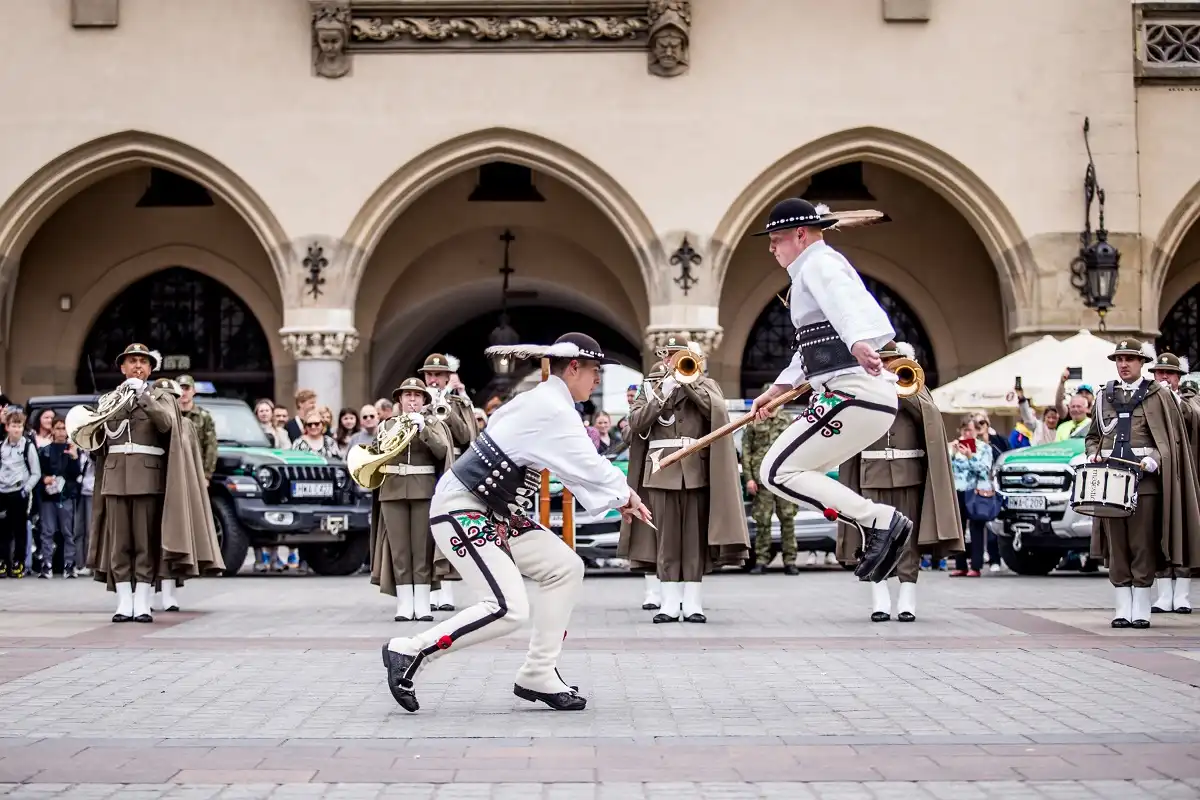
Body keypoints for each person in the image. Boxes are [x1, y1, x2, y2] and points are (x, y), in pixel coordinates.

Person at [381, 333, 651, 713]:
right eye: (594, 370)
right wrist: (624, 495)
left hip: (494, 513)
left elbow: (569, 466)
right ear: (573, 367)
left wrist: (616, 497)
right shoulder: (552, 409)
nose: (598, 379)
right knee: (507, 607)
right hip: (462, 508)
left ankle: (539, 672)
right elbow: (586, 462)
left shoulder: (541, 403)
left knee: (566, 567)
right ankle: (409, 651)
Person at [746, 197, 913, 583]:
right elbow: (810, 350)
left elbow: (846, 306)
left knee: (775, 471)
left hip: (853, 393)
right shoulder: (810, 271)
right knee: (794, 472)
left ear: (801, 235)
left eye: (777, 239)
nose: (771, 247)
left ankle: (879, 522)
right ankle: (875, 525)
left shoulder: (819, 262)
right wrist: (777, 389)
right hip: (857, 398)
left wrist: (857, 342)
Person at [81, 344, 223, 623]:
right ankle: (124, 601)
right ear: (122, 367)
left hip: (148, 479)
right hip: (114, 478)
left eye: (143, 363)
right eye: (132, 362)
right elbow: (98, 444)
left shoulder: (162, 396)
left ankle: (143, 602)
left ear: (150, 369)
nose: (137, 366)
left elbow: (167, 426)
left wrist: (143, 396)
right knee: (119, 545)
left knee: (144, 544)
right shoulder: (109, 399)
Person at [620, 339, 749, 623]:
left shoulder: (706, 385)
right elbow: (636, 423)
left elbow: (715, 413)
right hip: (660, 472)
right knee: (666, 540)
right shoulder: (649, 389)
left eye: (677, 357)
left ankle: (692, 603)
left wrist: (688, 383)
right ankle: (668, 602)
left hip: (695, 472)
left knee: (693, 541)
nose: (670, 362)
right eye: (667, 357)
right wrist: (662, 393)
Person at [836, 342, 962, 618]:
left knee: (908, 540)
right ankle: (879, 598)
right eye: (883, 362)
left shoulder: (914, 387)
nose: (888, 367)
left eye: (893, 361)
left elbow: (930, 419)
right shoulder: (862, 391)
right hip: (872, 474)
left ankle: (907, 597)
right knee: (874, 540)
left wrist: (904, 391)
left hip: (908, 474)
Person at [1086, 340, 1200, 628]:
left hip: (1144, 482)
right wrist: (1092, 454)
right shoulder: (1104, 396)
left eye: (1129, 359)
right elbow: (1093, 436)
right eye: (1119, 359)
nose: (1123, 364)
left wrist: (1156, 459)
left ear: (1141, 363)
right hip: (1111, 481)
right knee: (1118, 545)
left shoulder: (1157, 395)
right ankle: (1122, 607)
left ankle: (1142, 608)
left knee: (1142, 544)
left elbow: (1170, 439)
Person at [367, 378, 453, 622]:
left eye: (417, 395)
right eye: (407, 395)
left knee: (421, 548)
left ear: (424, 400)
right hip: (392, 491)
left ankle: (423, 602)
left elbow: (442, 452)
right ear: (400, 400)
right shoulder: (386, 425)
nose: (412, 399)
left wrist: (423, 429)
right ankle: (405, 603)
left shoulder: (432, 423)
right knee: (399, 550)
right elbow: (377, 455)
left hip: (423, 490)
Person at [420, 353, 478, 612]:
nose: (432, 379)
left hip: (450, 470)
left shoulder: (457, 402)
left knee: (447, 529)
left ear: (447, 377)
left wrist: (445, 406)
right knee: (426, 532)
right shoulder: (415, 400)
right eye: (429, 375)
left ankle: (447, 589)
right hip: (425, 471)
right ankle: (428, 589)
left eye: (437, 375)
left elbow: (465, 435)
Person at [1147, 351, 1197, 615]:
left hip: (1185, 478)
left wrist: (1173, 397)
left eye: (1169, 373)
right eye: (1159, 373)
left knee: (1183, 531)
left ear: (1179, 377)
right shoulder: (1147, 398)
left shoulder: (1188, 398)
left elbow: (1192, 415)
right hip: (1156, 475)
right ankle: (1163, 595)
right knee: (1159, 532)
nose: (1164, 377)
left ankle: (1182, 595)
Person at [742, 383, 800, 575]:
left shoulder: (788, 420)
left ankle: (790, 561)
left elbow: (797, 448)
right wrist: (749, 479)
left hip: (785, 477)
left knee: (788, 519)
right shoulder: (754, 421)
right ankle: (761, 560)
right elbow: (747, 452)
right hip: (762, 480)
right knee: (763, 521)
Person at [948, 417, 996, 578]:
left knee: (976, 528)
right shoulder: (954, 446)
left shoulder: (984, 448)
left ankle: (976, 566)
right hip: (957, 490)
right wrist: (953, 455)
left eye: (970, 430)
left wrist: (970, 457)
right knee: (958, 530)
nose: (967, 433)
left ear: (976, 431)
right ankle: (960, 565)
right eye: (964, 430)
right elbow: (946, 468)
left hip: (975, 491)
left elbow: (984, 470)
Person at [37, 416, 81, 579]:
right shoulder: (45, 450)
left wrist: (74, 458)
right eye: (58, 428)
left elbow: (77, 474)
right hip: (49, 496)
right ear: (53, 430)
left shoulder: (72, 449)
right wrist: (44, 479)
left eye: (64, 428)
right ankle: (46, 563)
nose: (61, 431)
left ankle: (69, 564)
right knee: (47, 531)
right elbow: (38, 470)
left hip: (66, 495)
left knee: (68, 531)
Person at [0, 410, 40, 578]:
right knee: (3, 530)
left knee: (19, 530)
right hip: (2, 492)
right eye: (13, 426)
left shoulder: (28, 446)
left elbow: (36, 472)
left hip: (19, 492)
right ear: (7, 427)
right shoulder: (1, 446)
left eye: (20, 426)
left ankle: (18, 562)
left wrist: (26, 490)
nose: (17, 430)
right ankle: (2, 561)